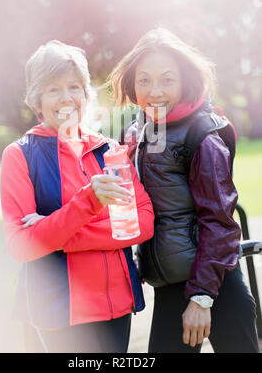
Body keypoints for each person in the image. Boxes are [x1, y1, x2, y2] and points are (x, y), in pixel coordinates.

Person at [107, 28, 260, 353]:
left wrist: (202, 299)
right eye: (144, 80)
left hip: (215, 287)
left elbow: (219, 222)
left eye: (167, 79)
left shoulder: (202, 136)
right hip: (169, 288)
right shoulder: (135, 133)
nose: (155, 91)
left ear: (185, 80)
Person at [0, 40, 154, 353]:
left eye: (74, 86)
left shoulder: (110, 150)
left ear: (86, 95)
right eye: (53, 89)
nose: (67, 97)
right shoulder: (19, 155)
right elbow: (22, 246)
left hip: (116, 304)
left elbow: (142, 224)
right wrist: (88, 202)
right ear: (37, 100)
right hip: (59, 312)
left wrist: (60, 237)